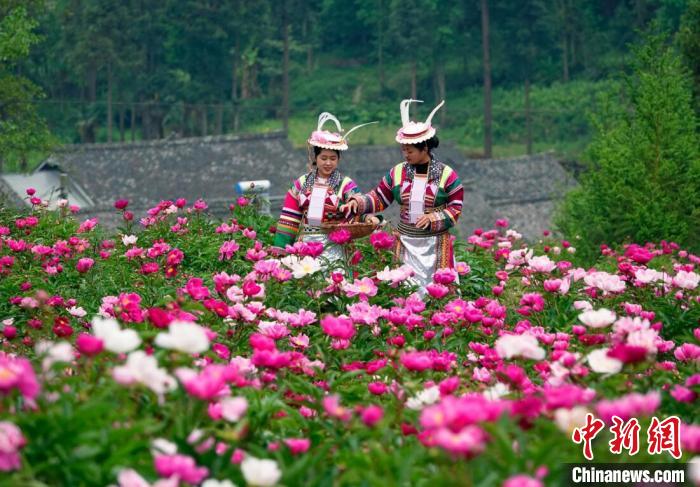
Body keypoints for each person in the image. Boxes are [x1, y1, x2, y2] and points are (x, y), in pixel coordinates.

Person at [341, 99, 464, 289]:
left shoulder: (447, 175)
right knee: (405, 292)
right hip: (405, 243)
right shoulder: (397, 172)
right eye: (403, 150)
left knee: (439, 293)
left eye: (410, 150)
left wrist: (434, 217)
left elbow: (456, 207)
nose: (406, 155)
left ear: (424, 148)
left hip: (436, 244)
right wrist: (358, 202)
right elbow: (380, 197)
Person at [272, 112, 377, 262]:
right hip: (306, 246)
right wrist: (281, 250)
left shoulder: (345, 184)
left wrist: (369, 218)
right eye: (324, 158)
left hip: (335, 245)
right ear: (315, 158)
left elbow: (357, 208)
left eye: (333, 158)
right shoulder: (301, 183)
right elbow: (289, 218)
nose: (328, 163)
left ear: (339, 159)